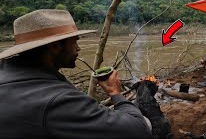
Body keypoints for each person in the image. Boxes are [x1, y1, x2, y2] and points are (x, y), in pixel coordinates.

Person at [0, 9, 152, 138]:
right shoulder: (58, 101)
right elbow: (138, 130)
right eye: (74, 42)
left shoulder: (9, 75)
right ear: (54, 46)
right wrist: (115, 93)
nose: (78, 49)